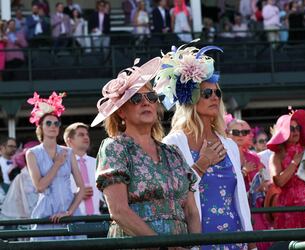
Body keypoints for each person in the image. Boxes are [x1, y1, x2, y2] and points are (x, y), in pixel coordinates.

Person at [155, 43, 255, 250]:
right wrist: (202, 163)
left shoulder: (229, 144)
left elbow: (240, 200)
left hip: (234, 238)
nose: (215, 98)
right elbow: (172, 194)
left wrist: (250, 241)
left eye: (217, 93)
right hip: (197, 239)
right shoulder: (173, 143)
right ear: (189, 99)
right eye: (206, 94)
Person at [92, 57, 201, 238]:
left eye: (151, 97)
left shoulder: (172, 152)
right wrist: (164, 248)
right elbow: (118, 211)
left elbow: (191, 211)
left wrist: (194, 246)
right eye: (135, 98)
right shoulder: (115, 148)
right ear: (121, 111)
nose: (146, 102)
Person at [26, 92, 85, 241]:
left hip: (70, 213)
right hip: (46, 214)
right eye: (48, 123)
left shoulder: (68, 152)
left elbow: (81, 188)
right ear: (40, 127)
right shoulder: (32, 153)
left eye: (56, 123)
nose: (53, 126)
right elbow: (39, 187)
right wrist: (57, 164)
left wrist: (69, 212)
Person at [227, 119, 271, 250]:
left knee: (259, 241)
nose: (241, 135)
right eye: (236, 132)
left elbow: (263, 181)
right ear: (227, 133)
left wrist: (263, 187)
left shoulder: (255, 158)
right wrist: (244, 172)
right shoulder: (223, 155)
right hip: (232, 205)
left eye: (245, 132)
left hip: (254, 207)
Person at [266, 108, 305, 229]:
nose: (296, 131)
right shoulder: (276, 156)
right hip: (288, 208)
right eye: (291, 128)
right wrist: (294, 162)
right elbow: (279, 182)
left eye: (298, 128)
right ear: (283, 131)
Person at [64, 122, 101, 215]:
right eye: (81, 135)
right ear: (70, 141)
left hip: (97, 218)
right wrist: (77, 196)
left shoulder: (98, 163)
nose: (86, 137)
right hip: (73, 219)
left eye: (86, 134)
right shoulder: (63, 165)